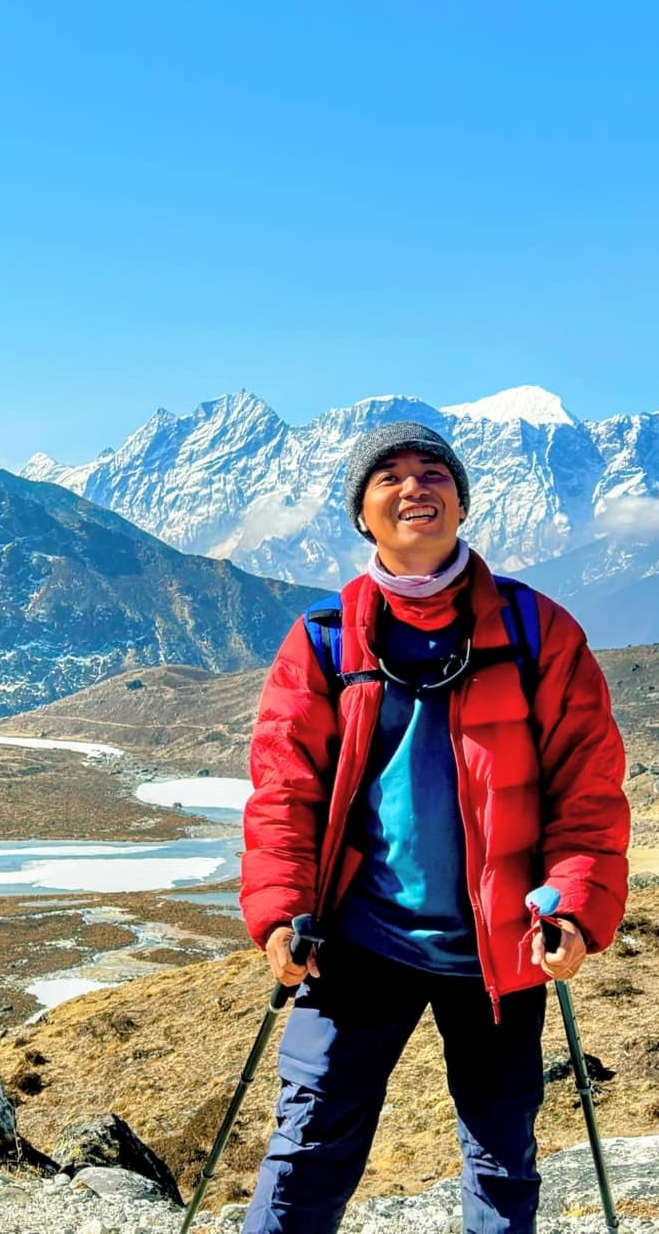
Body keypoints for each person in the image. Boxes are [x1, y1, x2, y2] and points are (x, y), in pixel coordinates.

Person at [238, 421, 631, 1233]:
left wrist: (576, 909)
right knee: (307, 1150)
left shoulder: (536, 632)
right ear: (362, 515)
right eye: (389, 476)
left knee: (501, 1159)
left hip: (502, 947)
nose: (415, 486)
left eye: (433, 472)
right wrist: (280, 913)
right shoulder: (323, 639)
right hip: (353, 942)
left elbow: (587, 792)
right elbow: (284, 793)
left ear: (462, 501)